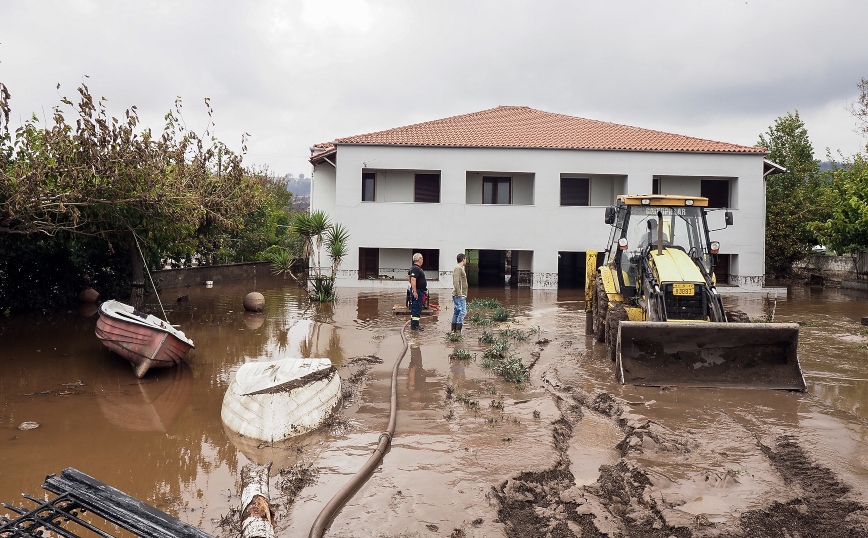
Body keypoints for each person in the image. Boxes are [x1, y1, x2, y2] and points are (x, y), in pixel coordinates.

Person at [408, 253, 427, 330]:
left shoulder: (414, 268)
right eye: (422, 259)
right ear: (419, 259)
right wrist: (415, 291)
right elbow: (413, 279)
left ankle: (414, 324)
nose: (422, 261)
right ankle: (415, 326)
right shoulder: (416, 268)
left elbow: (408, 276)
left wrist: (413, 287)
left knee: (416, 307)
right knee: (417, 308)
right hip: (418, 291)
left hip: (419, 290)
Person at [451, 252, 468, 333]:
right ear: (463, 259)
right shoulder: (458, 268)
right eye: (465, 259)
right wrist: (460, 293)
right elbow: (456, 281)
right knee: (463, 312)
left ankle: (453, 330)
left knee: (457, 311)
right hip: (459, 295)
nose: (466, 261)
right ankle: (458, 331)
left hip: (459, 294)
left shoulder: (459, 268)